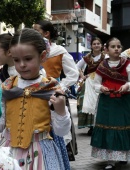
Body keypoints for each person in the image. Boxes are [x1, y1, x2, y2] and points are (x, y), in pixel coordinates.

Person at [0, 28, 71, 170]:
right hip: (9, 152)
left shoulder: (50, 87)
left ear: (42, 56)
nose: (22, 64)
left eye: (28, 59)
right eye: (16, 60)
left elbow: (61, 131)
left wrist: (61, 111)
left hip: (41, 153)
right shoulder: (8, 86)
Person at [33, 20, 79, 167]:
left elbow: (73, 74)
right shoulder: (32, 50)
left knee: (55, 131)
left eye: (37, 30)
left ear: (46, 34)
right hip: (35, 96)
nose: (33, 33)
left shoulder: (59, 51)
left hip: (53, 97)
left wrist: (60, 87)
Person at [91, 37, 130, 170]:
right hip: (107, 102)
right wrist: (101, 88)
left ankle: (123, 156)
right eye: (113, 47)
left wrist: (127, 86)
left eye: (118, 46)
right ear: (106, 49)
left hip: (123, 101)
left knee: (123, 127)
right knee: (108, 128)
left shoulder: (127, 64)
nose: (116, 49)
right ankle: (110, 160)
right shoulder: (102, 66)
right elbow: (96, 83)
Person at [76, 37, 105, 135]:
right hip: (89, 83)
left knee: (99, 103)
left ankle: (99, 126)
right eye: (94, 44)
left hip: (101, 83)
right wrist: (82, 76)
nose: (96, 45)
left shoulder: (105, 57)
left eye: (98, 43)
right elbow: (77, 67)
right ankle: (91, 127)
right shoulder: (87, 58)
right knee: (89, 104)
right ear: (91, 46)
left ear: (101, 45)